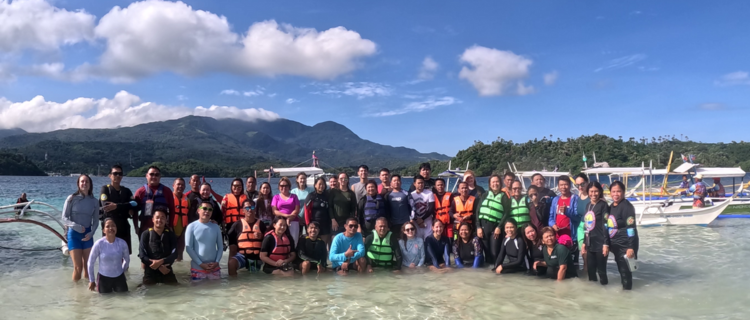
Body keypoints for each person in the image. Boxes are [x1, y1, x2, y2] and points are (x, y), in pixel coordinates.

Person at [62, 174, 99, 282]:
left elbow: (96, 221)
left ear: (90, 184)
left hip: (87, 235)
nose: (84, 183)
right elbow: (64, 217)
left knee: (88, 267)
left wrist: (92, 233)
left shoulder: (94, 201)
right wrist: (75, 226)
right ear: (78, 184)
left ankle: (88, 293)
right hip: (74, 235)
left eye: (86, 181)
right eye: (82, 181)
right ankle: (76, 294)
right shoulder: (71, 198)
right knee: (78, 267)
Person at [608, 181, 639, 290]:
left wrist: (630, 247)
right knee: (621, 270)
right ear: (610, 193)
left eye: (619, 191)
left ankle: (627, 296)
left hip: (625, 245)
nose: (616, 194)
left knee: (625, 273)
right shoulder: (611, 206)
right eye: (613, 191)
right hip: (615, 244)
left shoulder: (627, 207)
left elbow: (631, 228)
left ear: (624, 192)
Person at [99, 165, 136, 254]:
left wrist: (117, 206)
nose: (118, 176)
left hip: (124, 227)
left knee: (125, 257)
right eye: (115, 173)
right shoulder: (105, 189)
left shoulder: (126, 191)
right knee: (109, 256)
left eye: (120, 174)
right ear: (110, 175)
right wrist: (126, 207)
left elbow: (134, 204)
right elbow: (106, 206)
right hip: (110, 227)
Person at [87, 218, 130, 293]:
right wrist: (92, 280)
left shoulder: (122, 243)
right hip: (103, 278)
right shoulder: (99, 244)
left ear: (116, 228)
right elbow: (90, 263)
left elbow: (127, 260)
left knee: (124, 299)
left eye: (113, 226)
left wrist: (122, 271)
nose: (111, 228)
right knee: (104, 302)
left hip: (119, 277)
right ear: (103, 230)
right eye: (107, 226)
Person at [185, 200, 224, 281]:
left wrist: (216, 262)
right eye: (205, 208)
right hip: (198, 268)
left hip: (214, 267)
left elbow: (220, 247)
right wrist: (201, 264)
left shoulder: (216, 227)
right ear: (198, 210)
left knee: (217, 292)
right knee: (198, 292)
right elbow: (189, 248)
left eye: (210, 209)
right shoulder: (191, 226)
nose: (207, 211)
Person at [138, 209, 178, 285]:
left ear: (166, 220)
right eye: (157, 217)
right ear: (153, 219)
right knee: (143, 291)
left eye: (162, 217)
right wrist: (158, 265)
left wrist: (162, 261)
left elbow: (175, 254)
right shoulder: (146, 234)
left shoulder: (170, 234)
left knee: (178, 291)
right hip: (150, 270)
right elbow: (142, 255)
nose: (159, 220)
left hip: (166, 270)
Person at [475, 175, 509, 264]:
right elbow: (478, 211)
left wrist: (499, 227)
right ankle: (488, 275)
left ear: (500, 183)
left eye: (497, 181)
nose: (495, 184)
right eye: (493, 182)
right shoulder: (485, 194)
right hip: (484, 226)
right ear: (490, 184)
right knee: (487, 253)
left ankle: (497, 272)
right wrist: (478, 227)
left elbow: (506, 213)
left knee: (494, 253)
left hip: (496, 227)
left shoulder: (504, 196)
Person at [581, 181, 610, 285]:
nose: (593, 194)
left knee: (602, 272)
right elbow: (587, 226)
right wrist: (584, 242)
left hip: (600, 243)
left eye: (596, 191)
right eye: (591, 191)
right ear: (588, 192)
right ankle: (594, 295)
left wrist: (606, 244)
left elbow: (606, 225)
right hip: (590, 243)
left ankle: (605, 292)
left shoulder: (603, 205)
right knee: (591, 271)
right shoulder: (588, 205)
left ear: (600, 191)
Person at [227, 199, 266, 275]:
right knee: (231, 264)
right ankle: (233, 284)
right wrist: (230, 261)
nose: (250, 210)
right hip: (242, 256)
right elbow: (232, 247)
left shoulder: (261, 224)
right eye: (247, 208)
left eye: (252, 207)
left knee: (254, 278)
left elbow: (268, 242)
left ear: (255, 209)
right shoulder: (236, 225)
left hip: (257, 257)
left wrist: (261, 236)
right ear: (243, 210)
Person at [134, 166, 175, 237]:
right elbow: (135, 211)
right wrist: (136, 227)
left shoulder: (167, 191)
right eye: (151, 174)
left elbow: (172, 209)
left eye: (156, 175)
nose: (154, 177)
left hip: (162, 228)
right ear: (146, 176)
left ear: (160, 177)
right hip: (145, 228)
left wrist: (170, 225)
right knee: (144, 248)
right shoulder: (140, 192)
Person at [548, 176, 580, 256]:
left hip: (571, 236)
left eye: (566, 184)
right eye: (561, 185)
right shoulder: (556, 199)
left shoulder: (575, 198)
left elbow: (578, 217)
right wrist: (553, 225)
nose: (563, 187)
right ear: (558, 186)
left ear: (570, 185)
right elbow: (551, 217)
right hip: (558, 236)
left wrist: (567, 212)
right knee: (560, 261)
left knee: (572, 263)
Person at [304, 177, 333, 246]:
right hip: (314, 224)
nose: (321, 186)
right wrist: (308, 225)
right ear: (315, 185)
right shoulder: (311, 196)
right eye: (319, 184)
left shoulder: (327, 195)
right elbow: (306, 211)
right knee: (313, 245)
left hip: (325, 225)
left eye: (323, 184)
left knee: (323, 245)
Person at [272, 177, 301, 244]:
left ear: (289, 186)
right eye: (282, 186)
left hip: (293, 222)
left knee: (293, 241)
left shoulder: (294, 196)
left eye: (286, 185)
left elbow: (297, 209)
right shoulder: (276, 197)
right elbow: (274, 211)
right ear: (279, 187)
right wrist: (287, 216)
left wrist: (290, 218)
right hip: (280, 222)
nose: (284, 187)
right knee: (280, 241)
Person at [171, 177, 192, 261]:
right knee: (169, 253)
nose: (180, 186)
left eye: (182, 185)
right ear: (173, 186)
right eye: (178, 184)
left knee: (180, 254)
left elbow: (189, 215)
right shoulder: (169, 198)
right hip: (170, 229)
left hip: (182, 231)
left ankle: (180, 273)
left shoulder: (187, 200)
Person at [385, 175, 412, 239]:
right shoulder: (388, 195)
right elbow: (386, 210)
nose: (396, 182)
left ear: (401, 182)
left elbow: (412, 206)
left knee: (406, 241)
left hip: (405, 223)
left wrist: (412, 219)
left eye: (398, 180)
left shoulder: (406, 193)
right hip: (393, 224)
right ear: (391, 183)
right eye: (394, 181)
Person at [409, 175, 435, 240]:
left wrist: (422, 219)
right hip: (416, 223)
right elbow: (410, 209)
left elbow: (431, 208)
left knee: (428, 241)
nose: (420, 184)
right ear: (414, 184)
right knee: (418, 242)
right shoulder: (411, 195)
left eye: (422, 183)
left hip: (427, 222)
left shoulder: (429, 193)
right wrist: (417, 221)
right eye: (419, 183)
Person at [574, 173, 591, 270]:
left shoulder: (592, 195)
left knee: (590, 256)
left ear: (587, 183)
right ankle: (586, 278)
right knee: (584, 255)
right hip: (581, 228)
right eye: (577, 185)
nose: (580, 187)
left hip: (591, 228)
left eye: (582, 184)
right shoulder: (578, 196)